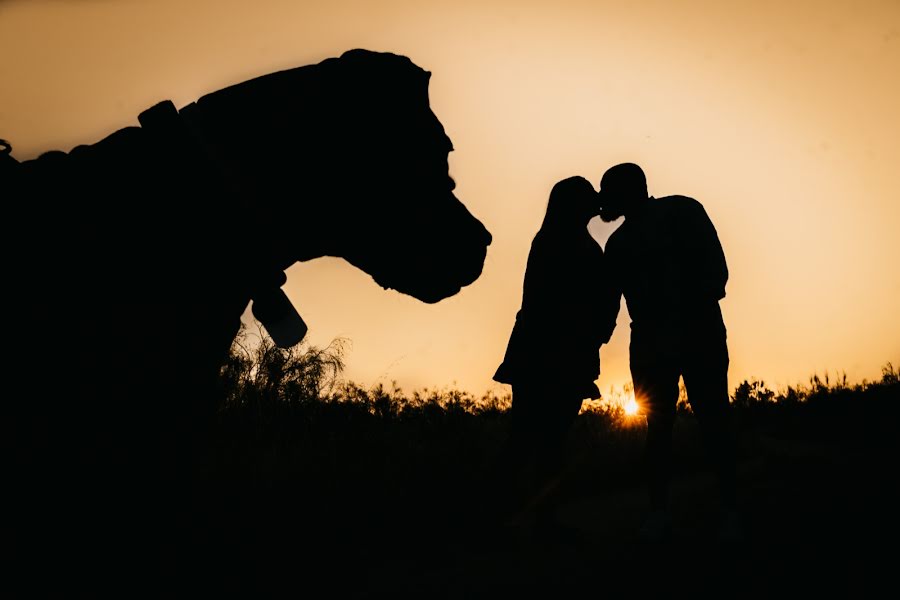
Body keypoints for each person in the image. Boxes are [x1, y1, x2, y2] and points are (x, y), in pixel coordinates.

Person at [596, 162, 741, 543]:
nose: (601, 200)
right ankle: (668, 512)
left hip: (691, 333)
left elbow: (716, 274)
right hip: (659, 339)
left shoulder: (679, 212)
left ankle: (727, 509)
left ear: (628, 190)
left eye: (607, 191)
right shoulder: (623, 241)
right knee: (666, 427)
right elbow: (608, 304)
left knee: (709, 419)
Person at [493, 175, 612, 532]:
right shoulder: (563, 243)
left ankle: (522, 515)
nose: (598, 200)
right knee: (537, 439)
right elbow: (555, 305)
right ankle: (523, 515)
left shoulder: (561, 240)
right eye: (589, 196)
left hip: (550, 352)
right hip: (552, 354)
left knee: (538, 438)